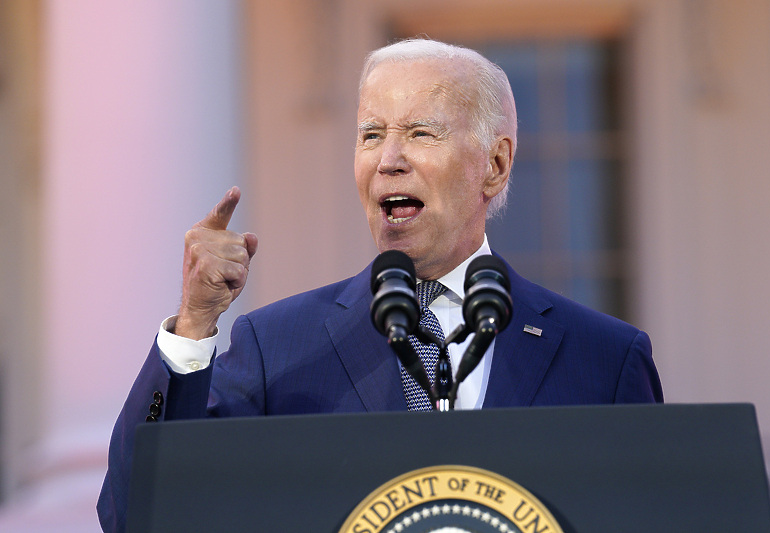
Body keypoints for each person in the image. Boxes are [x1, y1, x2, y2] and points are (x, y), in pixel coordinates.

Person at [97, 38, 662, 532]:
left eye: (420, 132)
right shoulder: (278, 348)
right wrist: (194, 327)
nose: (388, 159)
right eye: (371, 135)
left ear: (495, 163)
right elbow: (140, 516)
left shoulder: (604, 358)